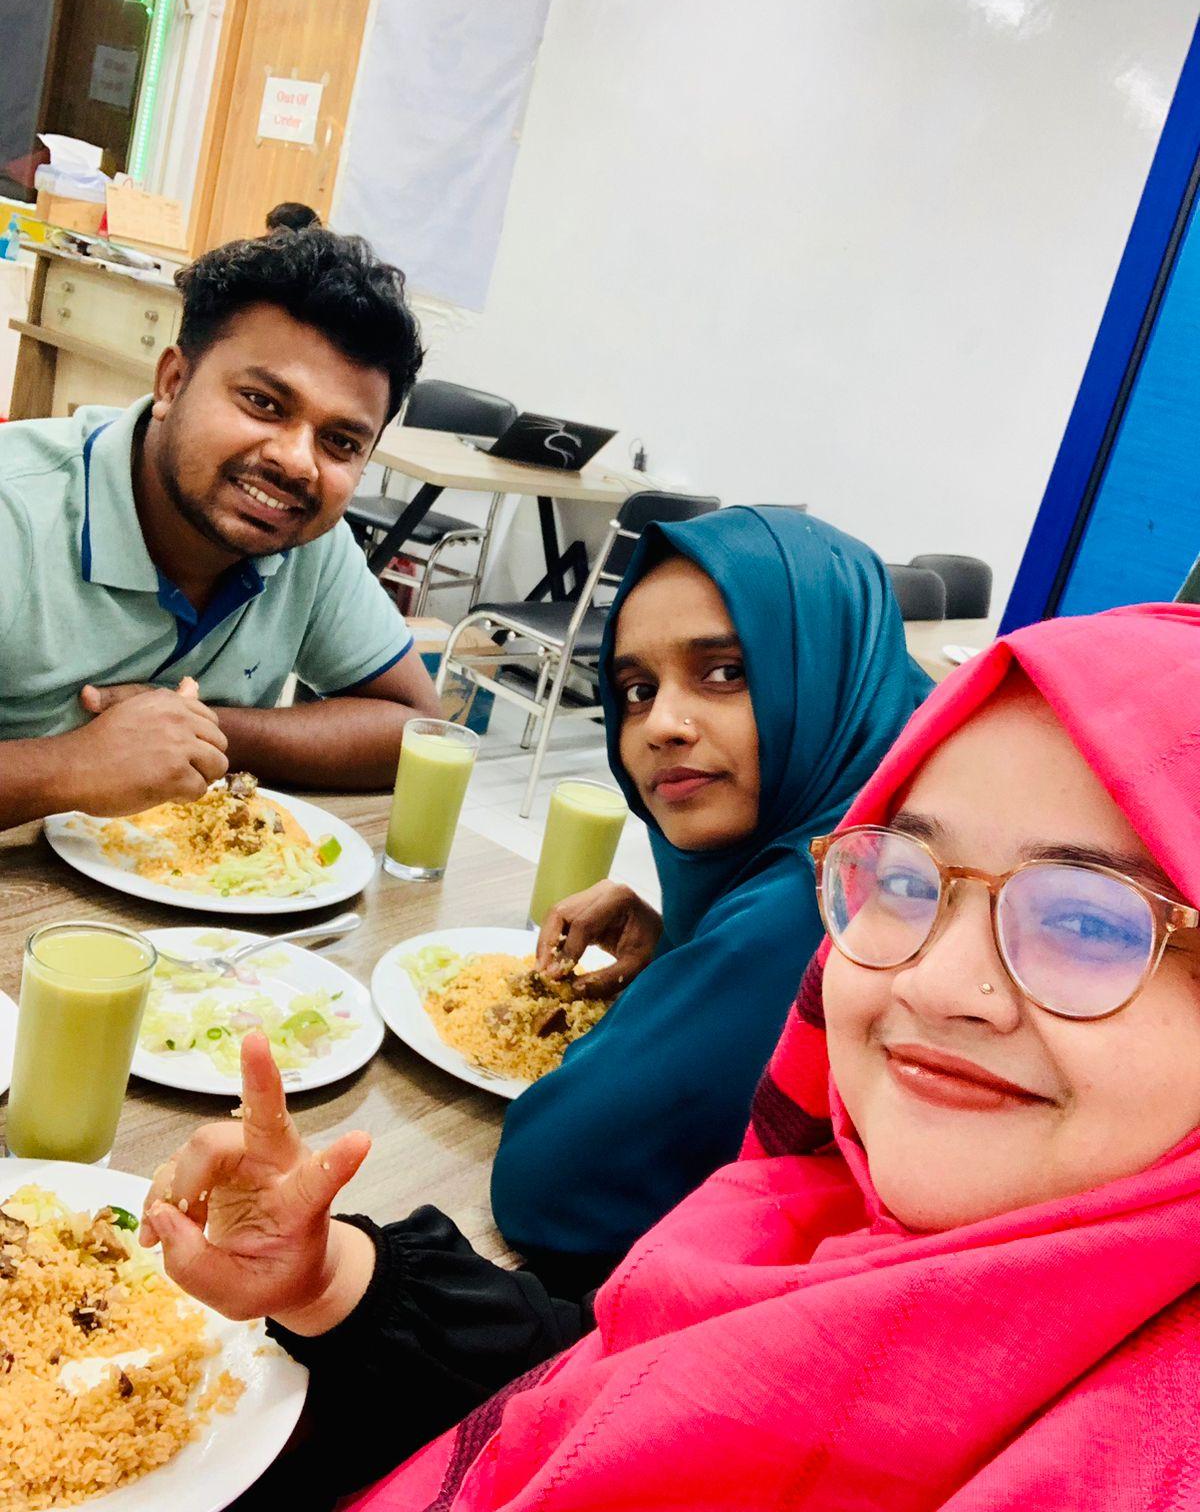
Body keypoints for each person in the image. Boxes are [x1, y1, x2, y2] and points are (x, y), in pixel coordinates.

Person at [141, 602, 1200, 1511]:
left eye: (1091, 921)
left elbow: (553, 1176)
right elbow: (608, 1377)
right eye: (905, 879)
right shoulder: (807, 1219)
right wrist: (329, 1276)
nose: (936, 983)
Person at [491, 506, 930, 1291]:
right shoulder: (901, 811)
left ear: (825, 669)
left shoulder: (828, 897)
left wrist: (706, 967)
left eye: (725, 672)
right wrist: (681, 949)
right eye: (634, 689)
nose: (660, 725)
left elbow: (548, 1180)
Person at [0, 227, 441, 830]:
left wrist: (203, 731)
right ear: (173, 383)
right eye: (263, 402)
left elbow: (416, 730)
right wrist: (68, 767)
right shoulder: (17, 507)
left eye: (340, 442)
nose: (298, 463)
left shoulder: (306, 538)